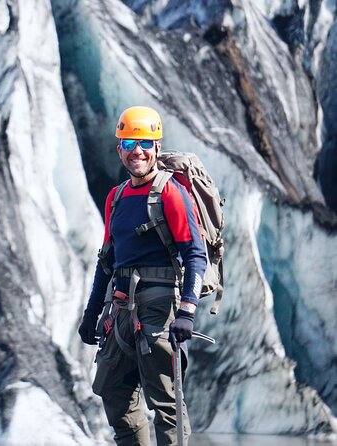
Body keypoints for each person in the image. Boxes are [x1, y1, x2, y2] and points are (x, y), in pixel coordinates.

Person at [78, 106, 207, 445]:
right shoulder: (116, 197)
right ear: (119, 147)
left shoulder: (169, 192)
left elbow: (195, 253)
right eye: (130, 142)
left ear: (157, 148)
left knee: (166, 402)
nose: (137, 150)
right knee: (114, 393)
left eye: (145, 143)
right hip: (120, 310)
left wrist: (188, 310)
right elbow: (107, 260)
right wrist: (91, 312)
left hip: (159, 309)